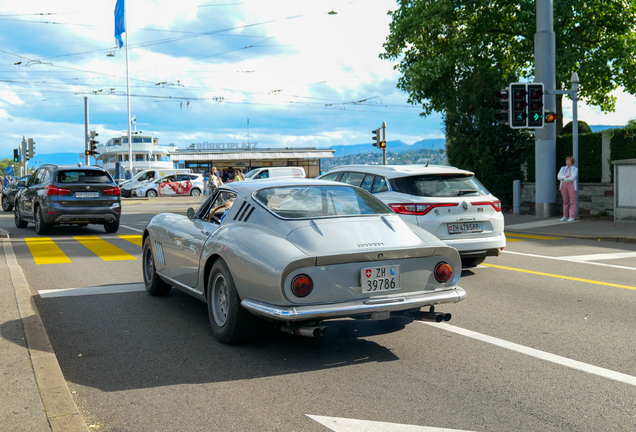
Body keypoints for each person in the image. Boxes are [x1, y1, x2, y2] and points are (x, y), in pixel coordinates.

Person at [557, 156, 578, 222]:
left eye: (569, 161)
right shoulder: (563, 168)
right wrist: (566, 176)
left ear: (572, 162)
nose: (567, 162)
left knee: (572, 200)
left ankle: (571, 216)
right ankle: (565, 215)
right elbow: (559, 177)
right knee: (565, 201)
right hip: (563, 184)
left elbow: (572, 177)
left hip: (571, 184)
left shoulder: (575, 169)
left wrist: (564, 178)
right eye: (567, 160)